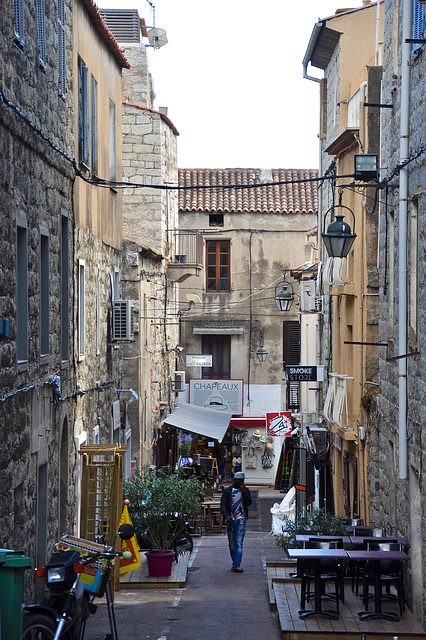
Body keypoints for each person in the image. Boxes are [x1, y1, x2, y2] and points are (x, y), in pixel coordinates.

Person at [220, 471, 252, 573]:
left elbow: (249, 502)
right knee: (232, 544)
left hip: (241, 520)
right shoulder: (227, 491)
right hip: (231, 520)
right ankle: (235, 562)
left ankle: (237, 564)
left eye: (242, 481)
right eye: (239, 481)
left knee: (239, 542)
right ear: (235, 480)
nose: (241, 483)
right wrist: (226, 515)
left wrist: (245, 492)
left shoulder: (245, 490)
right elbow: (223, 505)